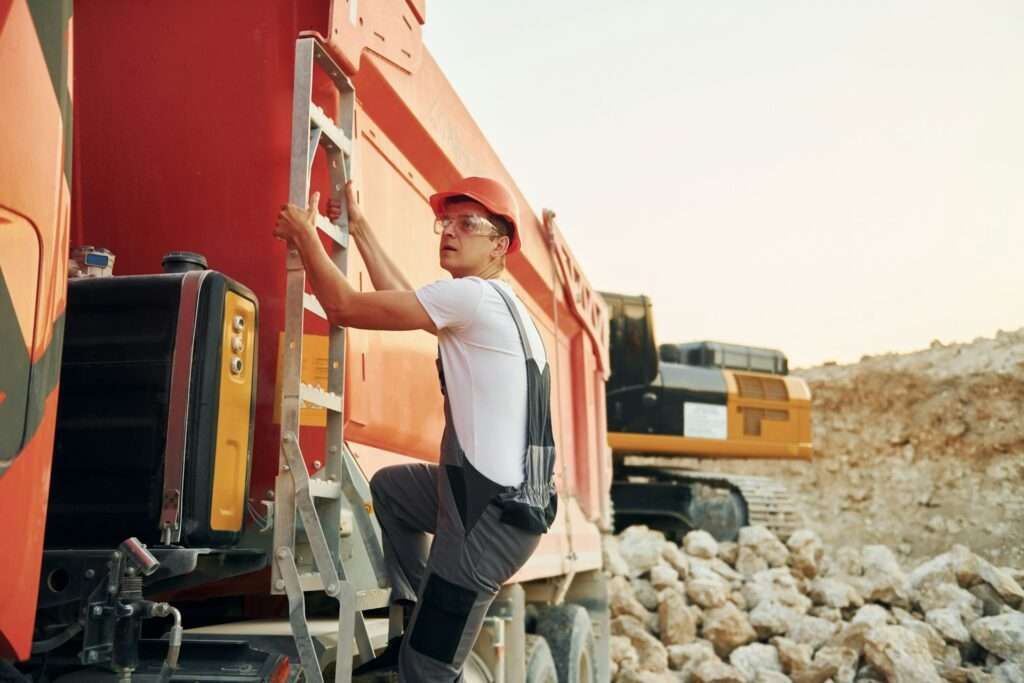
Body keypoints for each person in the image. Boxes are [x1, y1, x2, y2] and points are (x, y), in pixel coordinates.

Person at [274, 176, 558, 682]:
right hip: (478, 500)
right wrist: (359, 229)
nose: (449, 231)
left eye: (467, 223)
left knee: (426, 673)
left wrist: (305, 236)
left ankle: (425, 642)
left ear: (500, 244)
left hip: (484, 524)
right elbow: (405, 299)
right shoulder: (494, 304)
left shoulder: (473, 299)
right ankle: (417, 612)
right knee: (392, 491)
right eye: (446, 222)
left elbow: (343, 307)